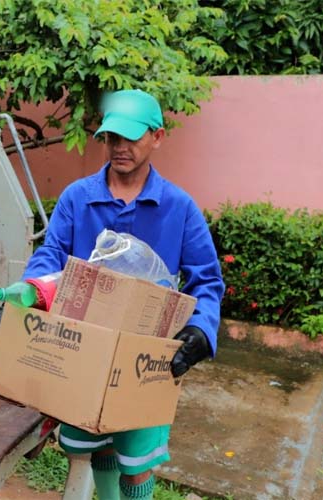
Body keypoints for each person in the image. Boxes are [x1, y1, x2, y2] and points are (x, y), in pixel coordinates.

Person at [21, 90, 225, 500]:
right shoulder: (78, 198)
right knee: (97, 444)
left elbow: (206, 280)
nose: (120, 147)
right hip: (84, 349)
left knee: (137, 460)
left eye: (131, 138)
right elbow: (51, 255)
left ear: (158, 137)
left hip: (146, 356)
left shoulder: (178, 208)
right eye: (113, 138)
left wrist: (202, 329)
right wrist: (30, 292)